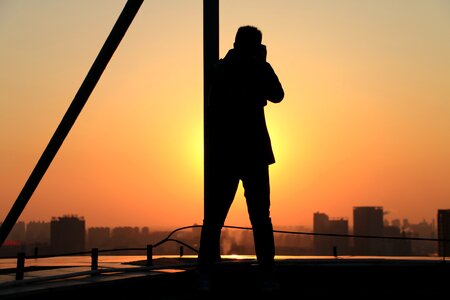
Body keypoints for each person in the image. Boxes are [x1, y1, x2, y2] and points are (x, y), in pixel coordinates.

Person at [197, 25, 285, 292]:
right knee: (259, 217)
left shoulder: (221, 68)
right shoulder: (251, 68)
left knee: (215, 218)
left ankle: (206, 275)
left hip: (226, 153)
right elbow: (277, 94)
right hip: (251, 153)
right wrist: (263, 64)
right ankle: (267, 275)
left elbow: (274, 96)